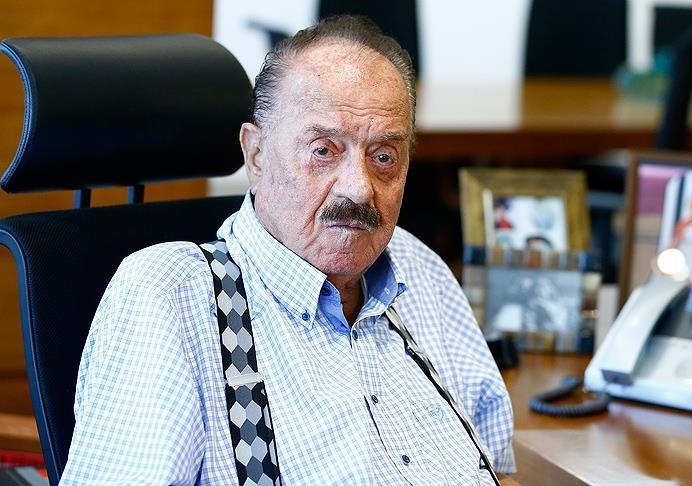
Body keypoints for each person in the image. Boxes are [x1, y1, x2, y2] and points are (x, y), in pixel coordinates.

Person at [61, 15, 517, 485]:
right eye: (323, 150)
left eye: (383, 157)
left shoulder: (420, 270)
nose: (359, 189)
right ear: (256, 154)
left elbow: (498, 470)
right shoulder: (171, 297)